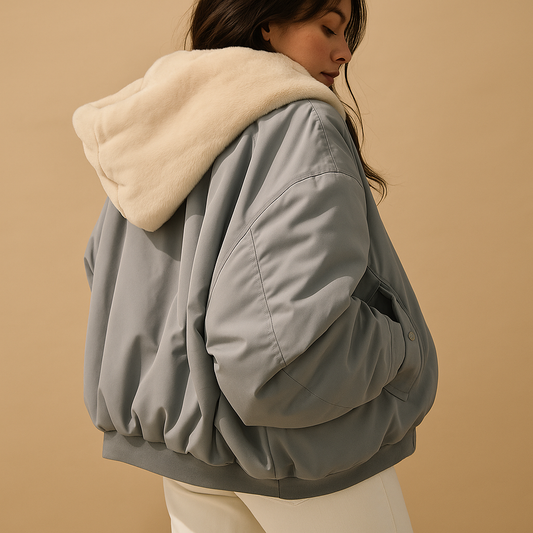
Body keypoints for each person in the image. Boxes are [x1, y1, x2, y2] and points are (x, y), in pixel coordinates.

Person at [73, 0, 438, 530]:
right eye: (328, 28)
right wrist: (401, 343)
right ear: (267, 21)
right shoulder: (302, 123)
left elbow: (106, 269)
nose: (344, 51)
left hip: (187, 459)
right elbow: (276, 347)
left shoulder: (164, 118)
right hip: (299, 456)